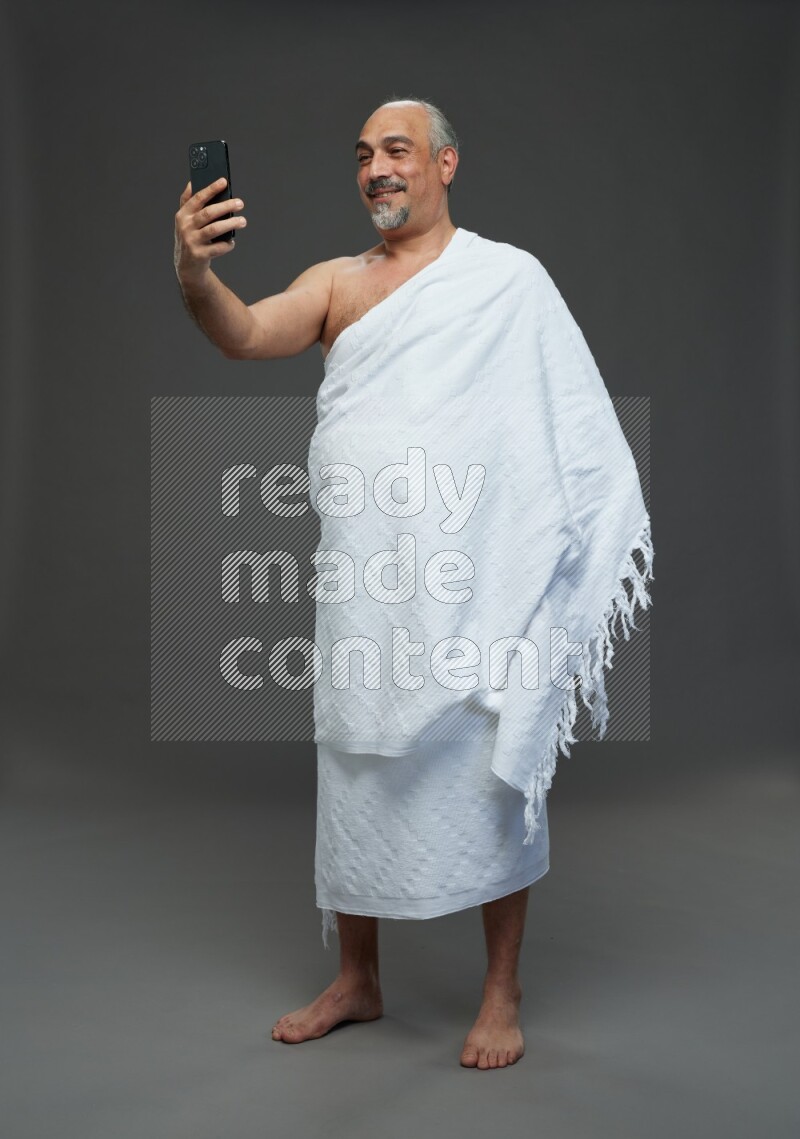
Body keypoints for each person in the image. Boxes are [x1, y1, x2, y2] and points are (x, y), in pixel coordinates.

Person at [174, 96, 650, 1071]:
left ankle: (500, 988)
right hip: (367, 587)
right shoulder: (338, 283)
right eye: (361, 155)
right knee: (352, 763)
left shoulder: (507, 282)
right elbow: (244, 331)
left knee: (488, 770)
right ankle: (357, 975)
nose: (376, 169)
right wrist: (193, 269)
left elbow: (561, 428)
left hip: (477, 586)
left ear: (445, 165)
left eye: (396, 150)